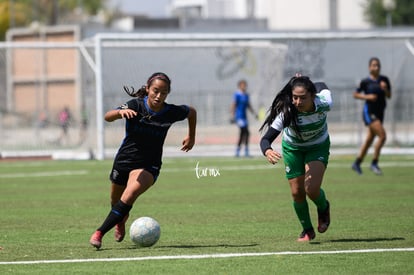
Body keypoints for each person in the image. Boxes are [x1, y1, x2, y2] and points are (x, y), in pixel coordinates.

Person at [89, 72, 197, 249]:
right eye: (155, 91)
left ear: (168, 93)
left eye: (163, 92)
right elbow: (108, 116)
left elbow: (191, 112)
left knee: (129, 195)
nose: (158, 96)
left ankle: (99, 232)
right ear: (148, 89)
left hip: (149, 165)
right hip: (124, 160)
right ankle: (121, 220)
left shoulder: (171, 112)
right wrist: (120, 112)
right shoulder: (136, 105)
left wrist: (191, 137)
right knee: (116, 202)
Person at [259, 75, 332, 242]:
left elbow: (321, 84)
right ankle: (307, 230)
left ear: (313, 96)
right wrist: (267, 150)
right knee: (296, 192)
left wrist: (304, 79)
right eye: (295, 98)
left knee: (311, 189)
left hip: (317, 146)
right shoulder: (287, 113)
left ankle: (323, 206)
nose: (298, 102)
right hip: (293, 149)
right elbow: (265, 139)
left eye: (303, 98)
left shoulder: (325, 103)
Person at [351, 57, 391, 175]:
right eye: (374, 65)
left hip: (380, 113)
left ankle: (357, 163)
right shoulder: (365, 82)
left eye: (378, 65)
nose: (376, 67)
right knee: (382, 136)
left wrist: (385, 89)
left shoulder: (384, 80)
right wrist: (367, 97)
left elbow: (389, 96)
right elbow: (355, 94)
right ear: (369, 67)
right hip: (369, 113)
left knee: (369, 140)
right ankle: (374, 163)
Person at [231, 79, 258, 157]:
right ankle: (242, 151)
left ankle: (240, 151)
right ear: (239, 86)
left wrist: (254, 113)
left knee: (244, 134)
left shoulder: (246, 95)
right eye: (243, 85)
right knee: (245, 132)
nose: (244, 87)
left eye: (245, 85)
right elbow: (233, 105)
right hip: (239, 117)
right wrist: (232, 116)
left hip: (244, 117)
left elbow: (249, 106)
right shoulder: (237, 94)